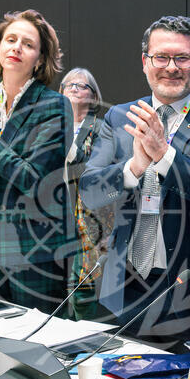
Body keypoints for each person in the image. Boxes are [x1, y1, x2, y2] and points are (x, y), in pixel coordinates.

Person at [80, 16, 190, 342]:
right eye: (161, 57)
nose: (171, 67)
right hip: (124, 283)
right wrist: (133, 167)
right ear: (145, 62)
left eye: (182, 58)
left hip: (188, 287)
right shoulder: (120, 117)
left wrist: (164, 155)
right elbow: (90, 193)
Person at [0, 9, 75, 313]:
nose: (16, 47)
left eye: (28, 44)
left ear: (40, 58)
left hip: (36, 249)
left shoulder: (54, 105)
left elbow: (34, 180)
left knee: (39, 337)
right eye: (10, 40)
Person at [60, 68, 113, 320]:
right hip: (52, 213)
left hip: (89, 218)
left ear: (93, 96)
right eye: (68, 84)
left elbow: (97, 173)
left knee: (82, 288)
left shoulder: (102, 129)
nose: (74, 88)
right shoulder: (48, 127)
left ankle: (83, 332)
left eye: (82, 85)